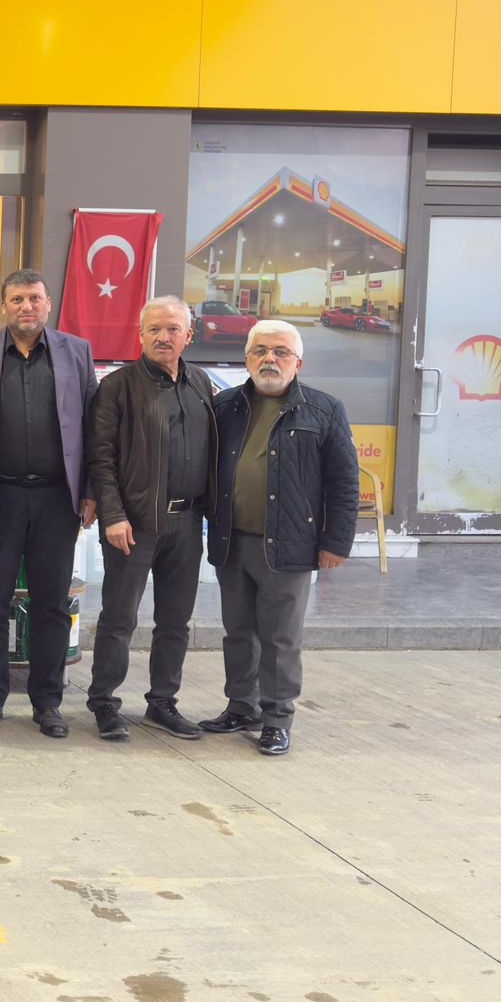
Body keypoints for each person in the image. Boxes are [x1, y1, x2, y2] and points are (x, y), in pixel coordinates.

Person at [202, 320, 358, 756]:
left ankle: (276, 719)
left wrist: (336, 542)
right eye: (261, 350)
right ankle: (241, 707)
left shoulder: (323, 410)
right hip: (232, 541)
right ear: (247, 359)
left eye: (281, 351)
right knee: (238, 631)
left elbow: (344, 482)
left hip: (289, 544)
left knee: (280, 637)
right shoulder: (225, 406)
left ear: (298, 362)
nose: (270, 358)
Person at [0, 268, 98, 740]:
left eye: (34, 298)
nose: (26, 307)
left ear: (48, 303)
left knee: (51, 603)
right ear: (4, 306)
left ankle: (47, 701)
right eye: (17, 299)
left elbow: (93, 427)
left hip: (58, 498)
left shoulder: (76, 353)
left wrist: (91, 490)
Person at [85, 295, 218, 744]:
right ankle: (104, 702)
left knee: (175, 621)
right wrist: (113, 514)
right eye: (155, 329)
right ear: (140, 334)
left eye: (173, 329)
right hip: (134, 525)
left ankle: (163, 702)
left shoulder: (200, 382)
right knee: (119, 618)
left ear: (188, 335)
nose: (164, 337)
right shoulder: (117, 387)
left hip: (187, 523)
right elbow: (100, 458)